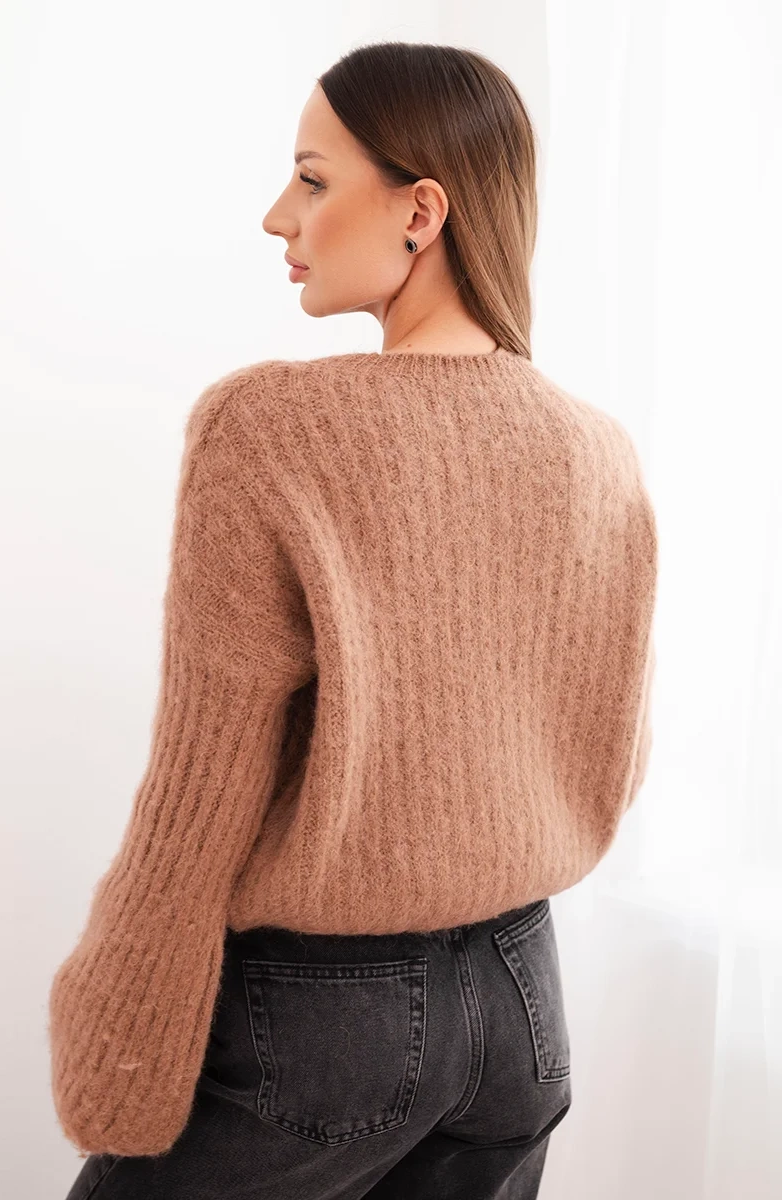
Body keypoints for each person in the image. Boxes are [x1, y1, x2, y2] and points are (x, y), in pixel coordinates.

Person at [49, 40, 657, 1200]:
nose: (277, 215)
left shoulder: (268, 429)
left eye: (312, 178)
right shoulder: (597, 451)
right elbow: (611, 761)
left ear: (420, 211)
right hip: (524, 1009)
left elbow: (202, 785)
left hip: (325, 1023)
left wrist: (120, 1024)